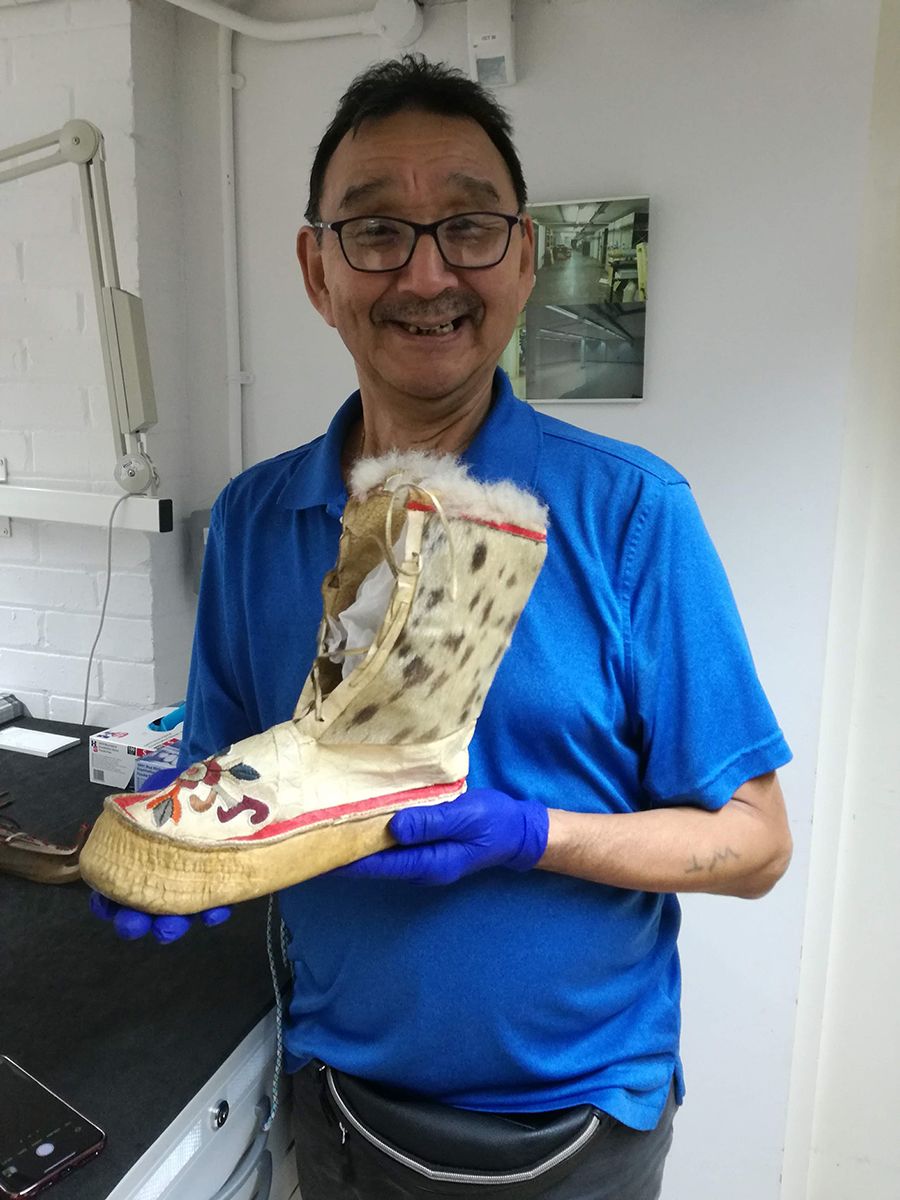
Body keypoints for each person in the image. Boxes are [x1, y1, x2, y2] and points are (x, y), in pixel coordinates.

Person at [94, 56, 792, 1199]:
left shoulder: (630, 514)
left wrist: (530, 833)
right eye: (375, 232)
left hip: (579, 1128)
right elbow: (230, 773)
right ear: (317, 271)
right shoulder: (259, 521)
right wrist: (179, 849)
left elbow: (757, 844)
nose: (425, 272)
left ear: (524, 260)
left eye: (468, 226)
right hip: (340, 1105)